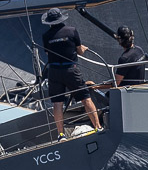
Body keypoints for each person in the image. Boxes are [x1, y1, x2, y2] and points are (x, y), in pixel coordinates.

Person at [40, 7, 102, 137]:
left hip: (55, 71)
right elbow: (79, 51)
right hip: (71, 70)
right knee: (85, 98)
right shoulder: (72, 31)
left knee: (57, 103)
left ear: (50, 21)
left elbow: (47, 52)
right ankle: (98, 127)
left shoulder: (46, 36)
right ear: (61, 18)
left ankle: (61, 134)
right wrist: (82, 49)